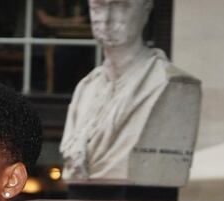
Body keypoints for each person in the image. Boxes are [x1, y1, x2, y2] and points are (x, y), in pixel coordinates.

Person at [60, 0, 200, 189]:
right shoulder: (85, 89)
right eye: (98, 7)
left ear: (146, 9)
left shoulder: (172, 84)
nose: (107, 19)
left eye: (121, 6)